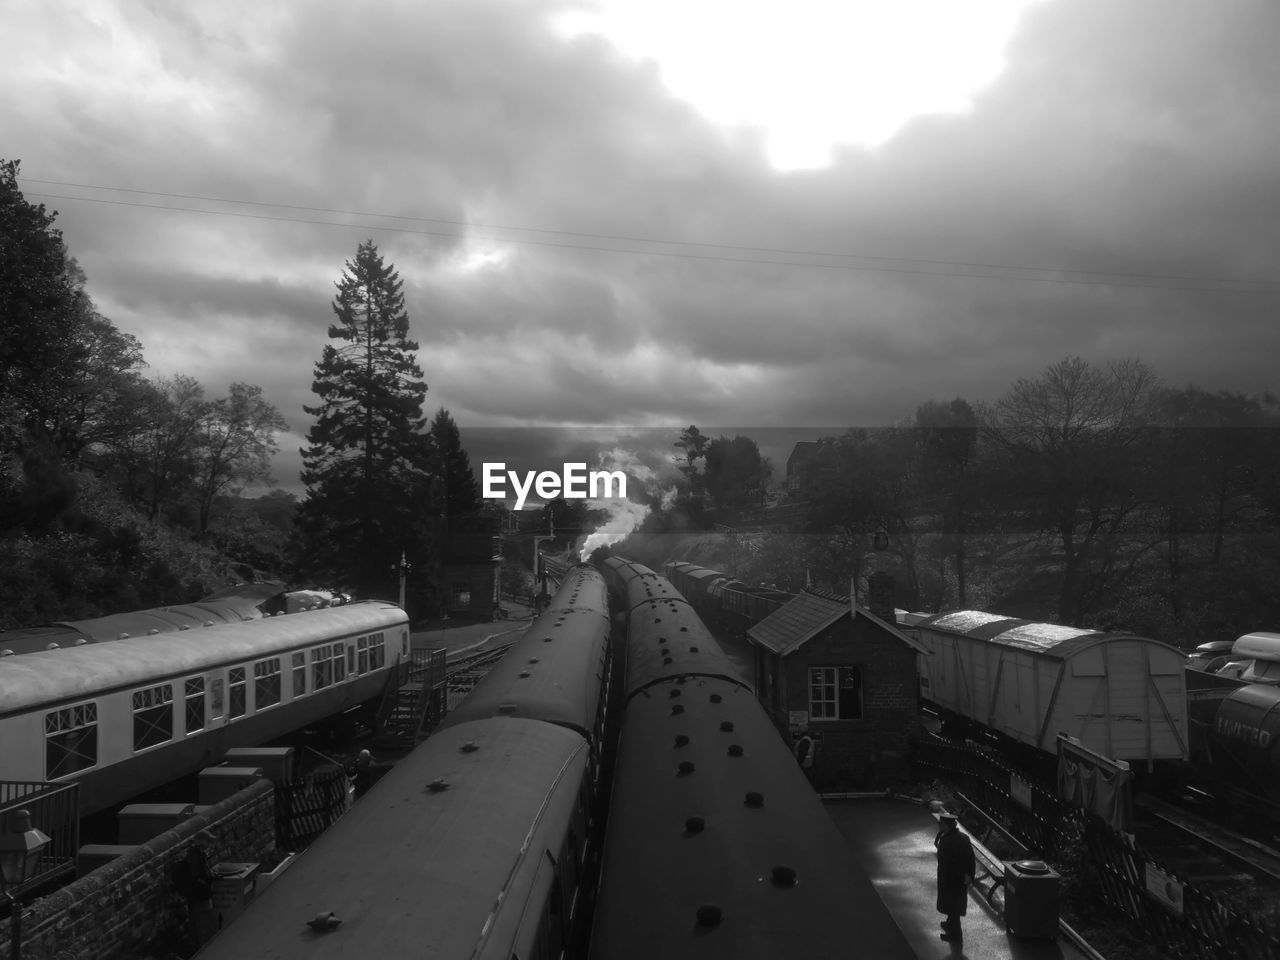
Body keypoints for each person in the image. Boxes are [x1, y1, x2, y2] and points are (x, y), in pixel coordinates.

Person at [934, 810, 976, 942]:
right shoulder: (962, 838)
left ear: (946, 825)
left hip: (951, 879)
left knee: (953, 907)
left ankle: (955, 935)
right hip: (958, 878)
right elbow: (971, 859)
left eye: (941, 824)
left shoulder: (947, 841)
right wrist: (970, 875)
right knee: (952, 904)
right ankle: (949, 923)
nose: (939, 826)